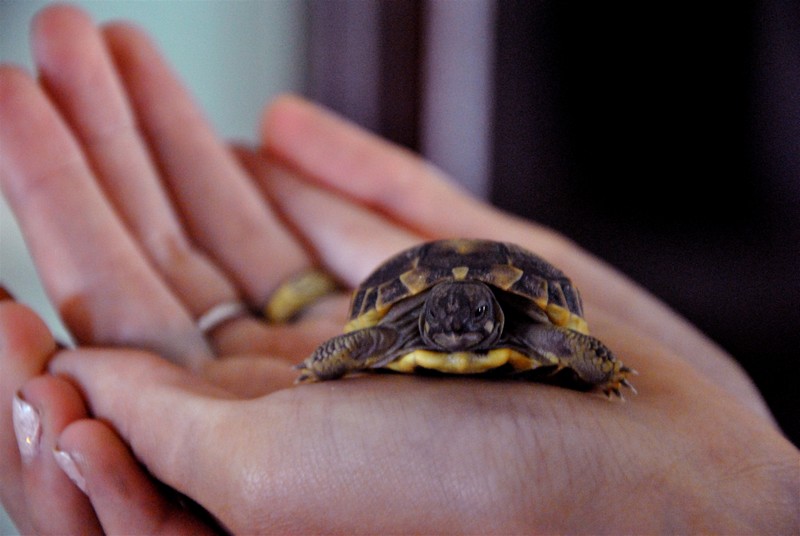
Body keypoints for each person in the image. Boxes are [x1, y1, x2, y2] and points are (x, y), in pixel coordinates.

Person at [0, 5, 797, 534]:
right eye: (449, 316)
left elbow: (568, 347)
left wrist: (719, 489)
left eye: (474, 317)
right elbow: (359, 342)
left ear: (498, 317)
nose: (460, 323)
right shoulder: (403, 330)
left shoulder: (532, 333)